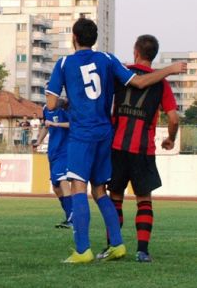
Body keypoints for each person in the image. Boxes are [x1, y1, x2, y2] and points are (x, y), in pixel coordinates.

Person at [46, 18, 186, 264]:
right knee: (100, 190)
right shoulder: (108, 59)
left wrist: (69, 100)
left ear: (74, 39)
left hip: (83, 134)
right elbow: (140, 82)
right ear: (94, 39)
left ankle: (82, 250)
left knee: (79, 188)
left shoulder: (65, 63)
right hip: (106, 134)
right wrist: (171, 69)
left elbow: (50, 103)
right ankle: (119, 245)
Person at [105, 35, 179, 263]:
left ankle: (113, 247)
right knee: (144, 200)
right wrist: (170, 139)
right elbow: (174, 119)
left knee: (115, 198)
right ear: (153, 54)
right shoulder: (162, 83)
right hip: (143, 150)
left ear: (136, 51)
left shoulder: (122, 73)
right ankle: (142, 251)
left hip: (117, 146)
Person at [35, 97, 72, 229]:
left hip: (65, 151)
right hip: (52, 152)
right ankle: (70, 216)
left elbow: (73, 124)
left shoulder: (65, 107)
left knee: (63, 182)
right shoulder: (45, 109)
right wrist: (39, 140)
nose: (48, 97)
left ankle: (72, 219)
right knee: (56, 187)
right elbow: (46, 126)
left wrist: (56, 124)